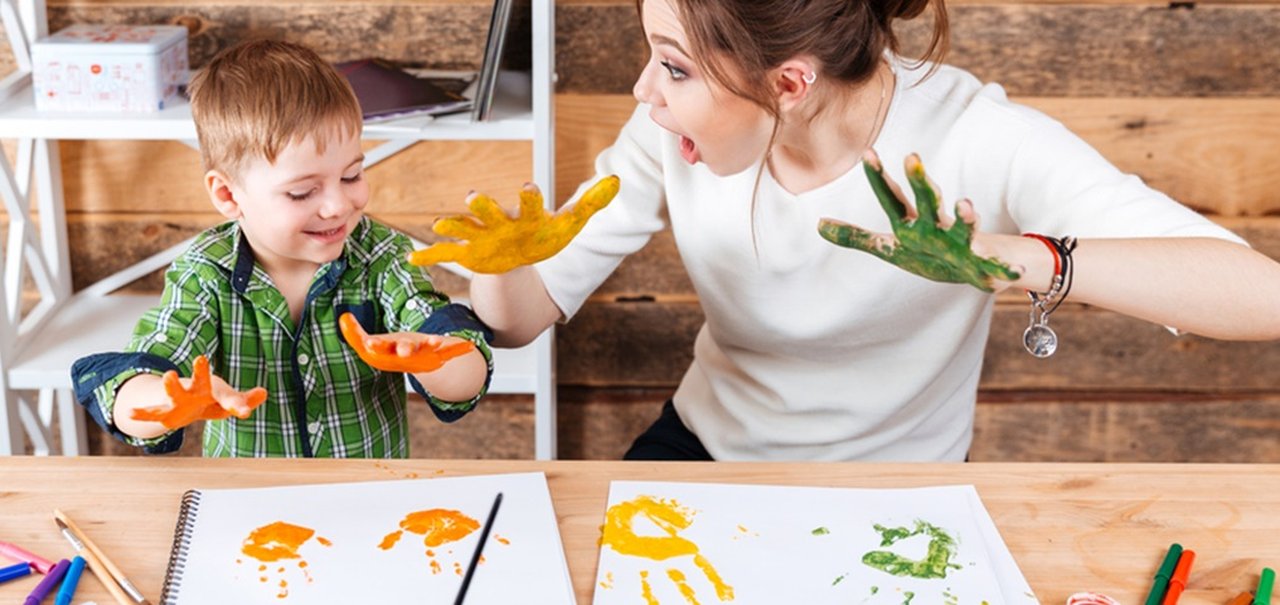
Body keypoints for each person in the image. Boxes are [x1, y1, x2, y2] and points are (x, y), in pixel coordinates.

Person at [465, 0, 1280, 462]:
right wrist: (502, 268)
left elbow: (1260, 294)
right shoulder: (667, 129)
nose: (646, 89)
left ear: (789, 82)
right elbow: (518, 319)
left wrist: (1011, 259)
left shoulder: (974, 137)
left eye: (673, 65)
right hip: (702, 453)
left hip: (902, 487)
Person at [71, 39, 492, 457]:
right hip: (250, 505)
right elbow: (139, 375)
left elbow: (465, 373)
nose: (338, 206)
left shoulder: (382, 257)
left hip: (367, 498)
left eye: (351, 176)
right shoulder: (204, 272)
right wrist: (167, 400)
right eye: (302, 192)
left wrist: (435, 360)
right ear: (229, 195)